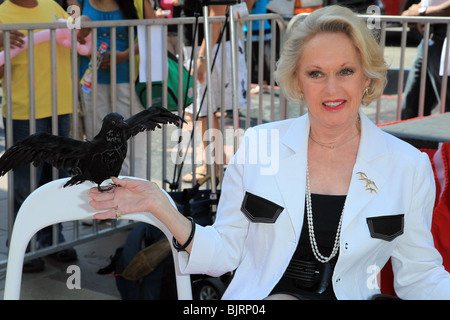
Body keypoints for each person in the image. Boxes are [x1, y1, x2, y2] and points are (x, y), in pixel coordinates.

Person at [88, 5, 450, 299]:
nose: (332, 88)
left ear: (367, 78)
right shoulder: (260, 145)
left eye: (346, 71)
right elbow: (226, 251)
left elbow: (419, 276)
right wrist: (160, 205)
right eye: (315, 73)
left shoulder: (408, 166)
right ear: (296, 80)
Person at [0, 0, 77, 272]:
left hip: (60, 107)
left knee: (56, 179)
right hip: (24, 111)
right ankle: (25, 245)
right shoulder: (2, 14)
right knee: (25, 183)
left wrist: (81, 26)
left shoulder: (53, 7)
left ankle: (53, 239)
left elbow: (77, 39)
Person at [77, 0, 156, 179]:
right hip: (91, 81)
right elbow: (69, 27)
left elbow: (155, 30)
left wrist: (125, 55)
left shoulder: (138, 2)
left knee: (132, 142)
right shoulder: (80, 2)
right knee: (96, 140)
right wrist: (80, 35)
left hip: (128, 80)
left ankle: (134, 194)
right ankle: (99, 192)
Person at [181, 1, 249, 183]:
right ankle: (215, 162)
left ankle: (214, 165)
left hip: (210, 49)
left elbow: (215, 18)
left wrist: (202, 58)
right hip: (206, 47)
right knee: (204, 110)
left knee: (204, 110)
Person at [401, 0, 450, 119]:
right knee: (410, 109)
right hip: (431, 36)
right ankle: (411, 137)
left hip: (444, 37)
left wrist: (421, 12)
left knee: (447, 109)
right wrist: (417, 10)